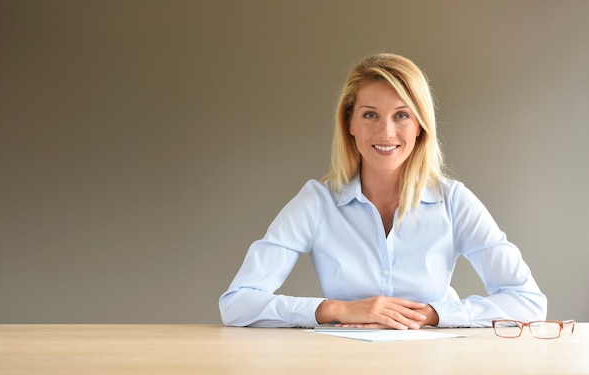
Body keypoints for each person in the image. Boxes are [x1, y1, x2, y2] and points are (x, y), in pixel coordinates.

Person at [219, 53, 547, 329]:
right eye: (370, 115)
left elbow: (528, 301)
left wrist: (434, 314)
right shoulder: (317, 202)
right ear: (349, 123)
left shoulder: (453, 201)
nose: (386, 132)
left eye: (401, 115)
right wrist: (337, 309)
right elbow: (238, 303)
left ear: (420, 125)